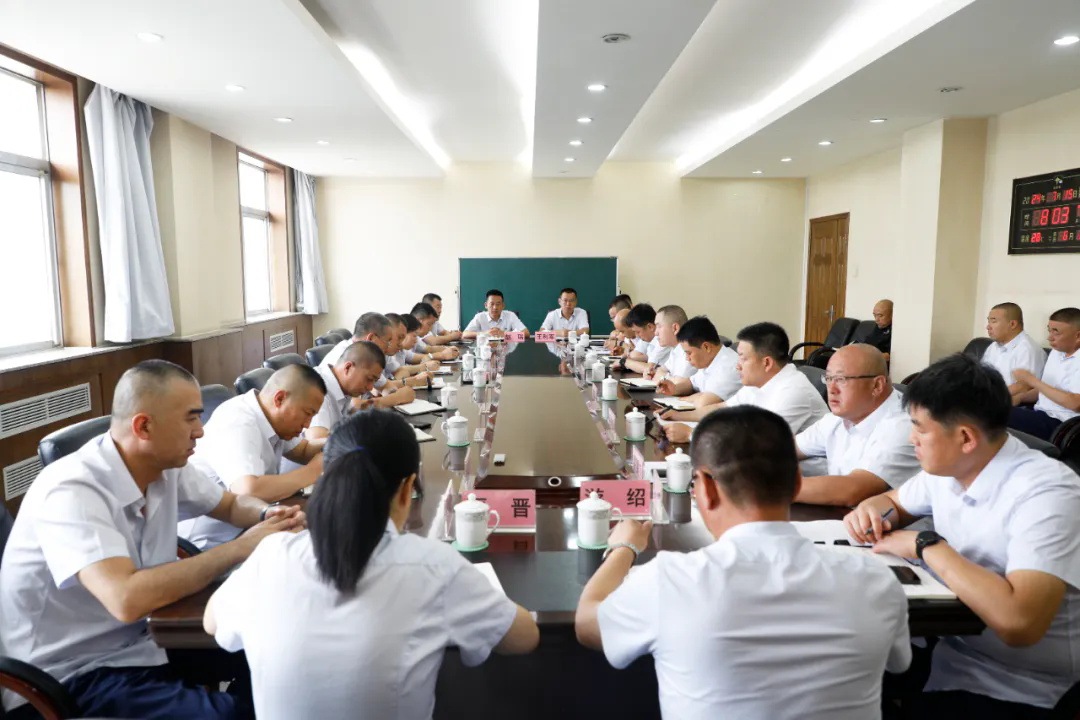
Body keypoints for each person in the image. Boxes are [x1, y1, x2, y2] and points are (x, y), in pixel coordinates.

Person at [0, 360, 304, 719]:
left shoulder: (164, 467)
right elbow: (126, 598)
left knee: (281, 653)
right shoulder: (71, 489)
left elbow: (232, 504)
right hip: (71, 675)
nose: (200, 431)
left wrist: (269, 515)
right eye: (191, 418)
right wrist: (240, 547)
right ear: (143, 426)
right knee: (231, 713)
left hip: (144, 643)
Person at [575, 406, 911, 718]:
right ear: (796, 483)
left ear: (705, 489)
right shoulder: (877, 582)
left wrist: (624, 548)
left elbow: (587, 623)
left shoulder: (669, 581)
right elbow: (899, 663)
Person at [203, 410, 539, 720]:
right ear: (407, 489)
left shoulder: (272, 555)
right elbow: (524, 637)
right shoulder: (432, 566)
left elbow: (212, 622)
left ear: (327, 480)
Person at [846, 353, 1080, 715]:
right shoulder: (954, 464)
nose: (911, 439)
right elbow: (893, 501)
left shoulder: (1047, 493)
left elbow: (1020, 624)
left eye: (920, 429)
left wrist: (926, 545)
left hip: (1021, 685)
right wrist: (871, 511)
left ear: (966, 437)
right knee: (835, 674)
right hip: (950, 647)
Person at [178, 365, 325, 549]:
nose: (308, 424)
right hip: (211, 542)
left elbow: (303, 450)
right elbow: (248, 491)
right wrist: (313, 471)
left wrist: (341, 442)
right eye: (307, 413)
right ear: (279, 399)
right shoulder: (237, 421)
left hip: (249, 524)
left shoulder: (272, 419)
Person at [794, 344, 919, 506]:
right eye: (828, 378)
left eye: (841, 379)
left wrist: (773, 488)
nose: (831, 389)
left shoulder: (903, 426)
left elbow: (854, 490)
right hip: (848, 515)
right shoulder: (841, 416)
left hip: (889, 521)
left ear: (877, 385)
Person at [661, 321, 827, 442]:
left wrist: (691, 434)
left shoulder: (793, 390)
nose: (737, 365)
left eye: (743, 358)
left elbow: (757, 442)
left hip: (804, 475)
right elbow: (721, 409)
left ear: (767, 363)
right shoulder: (758, 382)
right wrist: (677, 416)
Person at [1009, 307, 1080, 440]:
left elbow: (1075, 404)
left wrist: (1032, 380)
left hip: (1062, 424)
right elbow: (1047, 391)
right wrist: (1020, 398)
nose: (1050, 337)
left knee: (995, 414)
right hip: (1040, 412)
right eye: (1049, 330)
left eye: (1056, 332)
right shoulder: (1056, 353)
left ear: (1078, 336)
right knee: (991, 406)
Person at [651, 317, 739, 418]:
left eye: (689, 353)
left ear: (706, 347)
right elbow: (691, 383)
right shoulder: (710, 360)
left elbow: (703, 404)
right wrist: (674, 388)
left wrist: (689, 398)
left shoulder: (729, 366)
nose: (687, 358)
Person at [308, 341, 386, 440]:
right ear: (348, 367)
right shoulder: (318, 387)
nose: (371, 387)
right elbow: (317, 438)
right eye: (369, 379)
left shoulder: (344, 386)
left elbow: (353, 410)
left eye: (375, 381)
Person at [983, 302, 1047, 401]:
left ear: (1012, 324)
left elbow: (1024, 386)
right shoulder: (993, 347)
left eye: (994, 321)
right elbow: (982, 375)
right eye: (988, 321)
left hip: (1011, 403)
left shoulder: (1028, 349)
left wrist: (990, 397)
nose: (988, 327)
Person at [322, 312, 393, 368]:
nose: (389, 346)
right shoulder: (350, 358)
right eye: (387, 342)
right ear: (371, 338)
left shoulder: (361, 353)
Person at [646, 304, 696, 381]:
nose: (655, 333)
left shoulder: (689, 351)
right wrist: (658, 374)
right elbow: (661, 370)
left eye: (659, 326)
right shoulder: (675, 349)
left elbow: (679, 383)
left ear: (675, 328)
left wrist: (662, 377)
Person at [621, 303, 672, 374]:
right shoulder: (648, 340)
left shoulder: (663, 340)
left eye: (638, 332)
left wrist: (625, 362)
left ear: (650, 327)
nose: (637, 336)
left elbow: (650, 369)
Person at [462, 289, 530, 339]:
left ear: (503, 306)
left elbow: (526, 334)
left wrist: (505, 334)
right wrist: (485, 333)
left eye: (498, 304)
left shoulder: (510, 315)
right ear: (486, 305)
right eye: (492, 304)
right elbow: (465, 334)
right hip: (485, 350)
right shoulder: (479, 317)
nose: (495, 307)